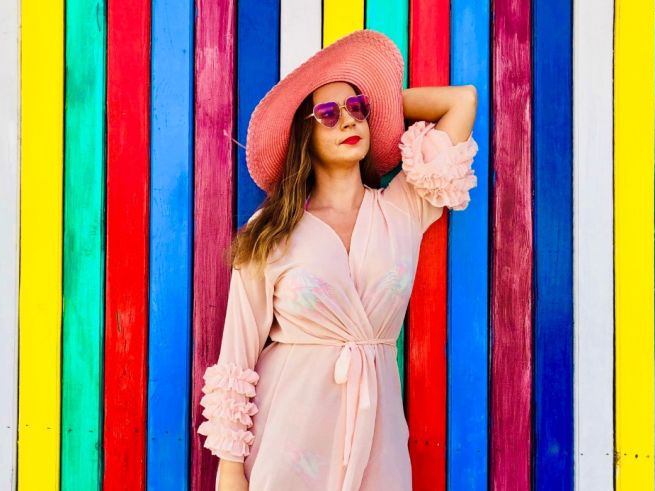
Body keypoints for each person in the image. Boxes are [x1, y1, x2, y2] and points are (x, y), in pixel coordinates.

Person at [196, 29, 478, 491]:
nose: (348, 122)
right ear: (304, 134)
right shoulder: (270, 231)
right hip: (288, 432)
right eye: (327, 114)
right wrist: (230, 467)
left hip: (378, 432)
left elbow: (461, 102)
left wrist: (386, 106)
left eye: (357, 110)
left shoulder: (403, 209)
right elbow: (237, 355)